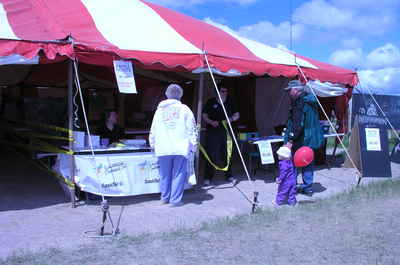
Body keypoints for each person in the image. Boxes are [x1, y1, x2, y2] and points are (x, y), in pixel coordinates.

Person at [149, 84, 197, 207]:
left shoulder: (159, 110)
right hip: (180, 147)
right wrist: (193, 146)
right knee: (178, 174)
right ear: (181, 95)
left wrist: (152, 144)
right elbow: (192, 128)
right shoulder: (185, 109)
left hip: (163, 147)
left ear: (166, 95)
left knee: (164, 174)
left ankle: (164, 198)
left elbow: (153, 129)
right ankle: (175, 200)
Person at [283, 80, 324, 196]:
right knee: (307, 161)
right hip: (309, 138)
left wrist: (290, 139)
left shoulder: (300, 102)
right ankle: (308, 188)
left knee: (295, 162)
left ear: (296, 90)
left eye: (289, 90)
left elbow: (298, 124)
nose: (288, 93)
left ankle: (293, 187)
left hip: (302, 138)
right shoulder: (310, 100)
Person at [202, 86, 240, 185]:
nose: (225, 93)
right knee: (211, 153)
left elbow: (237, 115)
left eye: (226, 91)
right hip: (213, 131)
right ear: (217, 92)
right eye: (223, 91)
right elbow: (204, 115)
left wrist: (230, 119)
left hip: (227, 132)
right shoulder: (211, 102)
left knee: (227, 153)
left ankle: (229, 175)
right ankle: (208, 177)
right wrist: (211, 122)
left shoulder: (230, 101)